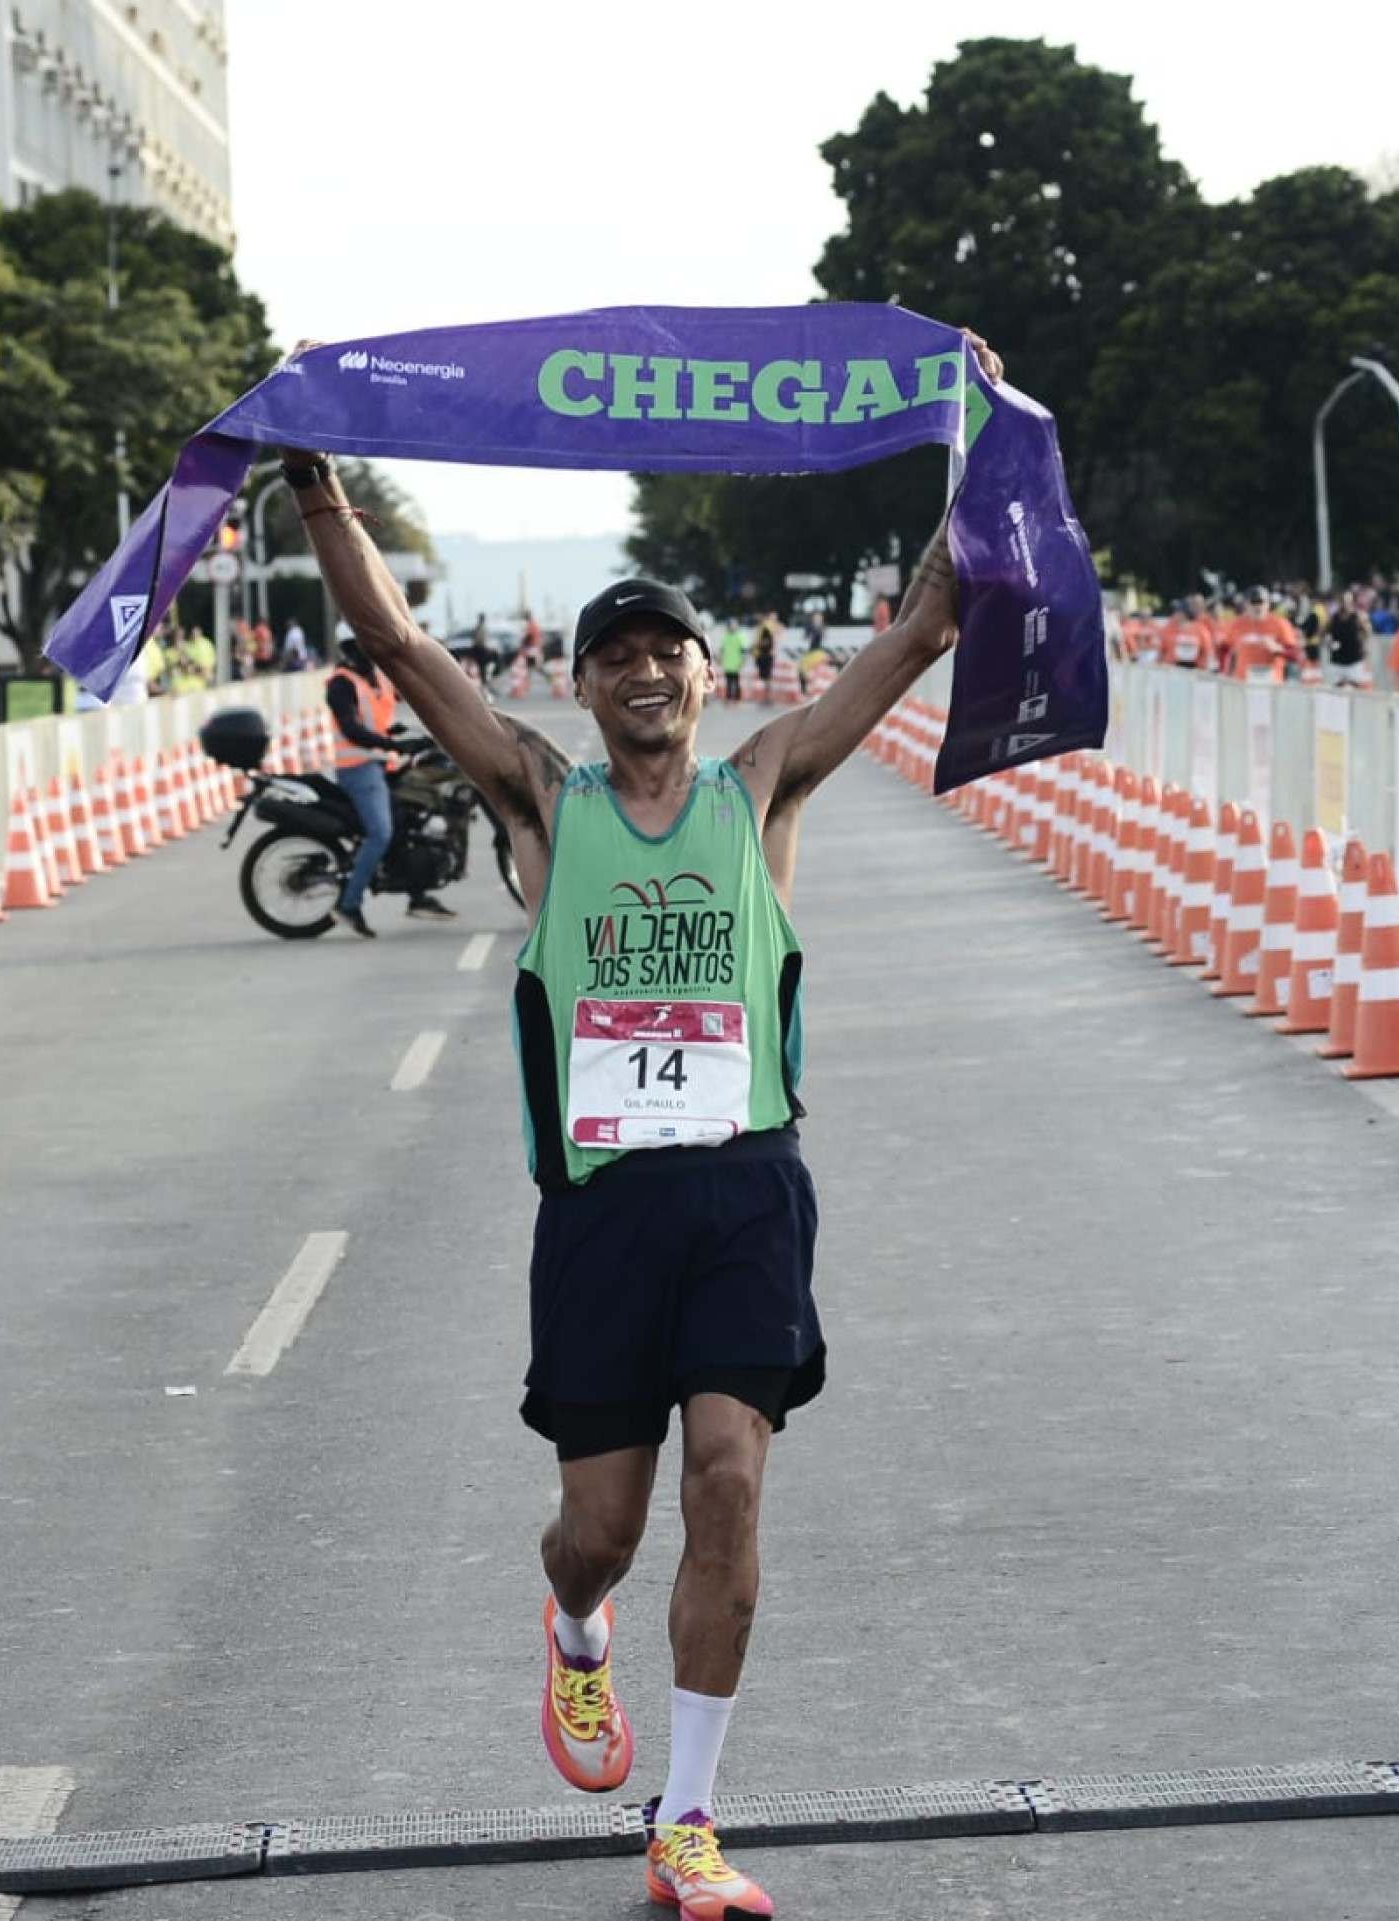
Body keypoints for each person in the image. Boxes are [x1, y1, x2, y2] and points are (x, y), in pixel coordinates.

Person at [274, 327, 1005, 1921]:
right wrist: (317, 481)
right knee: (597, 1529)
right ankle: (575, 1630)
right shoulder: (548, 802)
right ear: (586, 684)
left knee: (727, 1480)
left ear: (700, 670)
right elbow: (397, 643)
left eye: (665, 647)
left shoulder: (765, 786)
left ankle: (686, 1819)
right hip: (602, 1210)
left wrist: (975, 432)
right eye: (615, 654)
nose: (644, 669)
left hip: (746, 1189)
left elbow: (920, 626)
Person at [324, 637, 448, 935]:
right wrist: (394, 745)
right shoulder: (340, 684)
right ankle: (348, 905)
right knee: (380, 833)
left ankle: (418, 894)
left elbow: (397, 706)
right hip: (359, 770)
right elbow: (352, 730)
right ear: (351, 648)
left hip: (383, 765)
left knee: (409, 819)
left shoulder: (376, 678)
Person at [1321, 587, 1372, 687]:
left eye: (1348, 601)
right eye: (1343, 601)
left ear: (1352, 602)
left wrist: (1365, 646)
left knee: (1355, 691)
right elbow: (1322, 633)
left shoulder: (1359, 616)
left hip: (1354, 661)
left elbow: (1368, 633)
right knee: (1335, 692)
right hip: (1337, 661)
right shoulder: (1333, 618)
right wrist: (1328, 642)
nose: (1345, 604)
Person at [718, 622, 749, 703]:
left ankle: (737, 698)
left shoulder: (739, 637)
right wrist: (720, 659)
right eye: (731, 626)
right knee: (728, 682)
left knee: (736, 681)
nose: (732, 627)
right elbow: (722, 649)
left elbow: (743, 650)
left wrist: (743, 661)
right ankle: (728, 697)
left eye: (733, 626)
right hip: (728, 663)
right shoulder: (726, 636)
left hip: (736, 663)